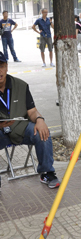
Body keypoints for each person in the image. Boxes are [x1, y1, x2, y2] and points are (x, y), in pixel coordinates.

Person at [0, 51, 60, 188]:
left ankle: (47, 172)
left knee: (42, 132)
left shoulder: (21, 85)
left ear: (7, 67)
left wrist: (39, 119)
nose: (0, 71)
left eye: (1, 66)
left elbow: (32, 111)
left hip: (20, 128)